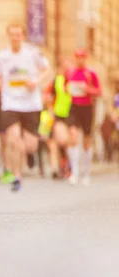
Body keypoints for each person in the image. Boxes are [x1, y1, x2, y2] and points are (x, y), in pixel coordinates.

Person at [0, 22, 51, 192]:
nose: (15, 37)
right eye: (12, 34)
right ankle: (17, 176)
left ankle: (31, 153)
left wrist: (36, 82)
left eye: (18, 34)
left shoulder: (32, 53)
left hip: (31, 104)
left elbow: (47, 69)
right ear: (8, 36)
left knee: (29, 145)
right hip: (10, 103)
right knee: (13, 139)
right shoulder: (1, 56)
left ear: (23, 36)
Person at [65, 49, 102, 185]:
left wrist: (87, 89)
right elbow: (64, 87)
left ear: (85, 58)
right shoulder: (70, 72)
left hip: (87, 107)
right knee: (73, 136)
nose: (80, 60)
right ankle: (74, 171)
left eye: (82, 57)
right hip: (74, 106)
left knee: (86, 140)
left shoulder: (91, 73)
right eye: (77, 57)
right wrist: (69, 88)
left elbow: (99, 91)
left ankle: (86, 171)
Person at [45, 58, 73, 179]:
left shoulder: (73, 81)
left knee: (65, 142)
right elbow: (47, 96)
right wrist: (50, 110)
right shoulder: (56, 81)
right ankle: (55, 168)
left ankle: (65, 164)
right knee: (54, 143)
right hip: (57, 116)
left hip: (70, 115)